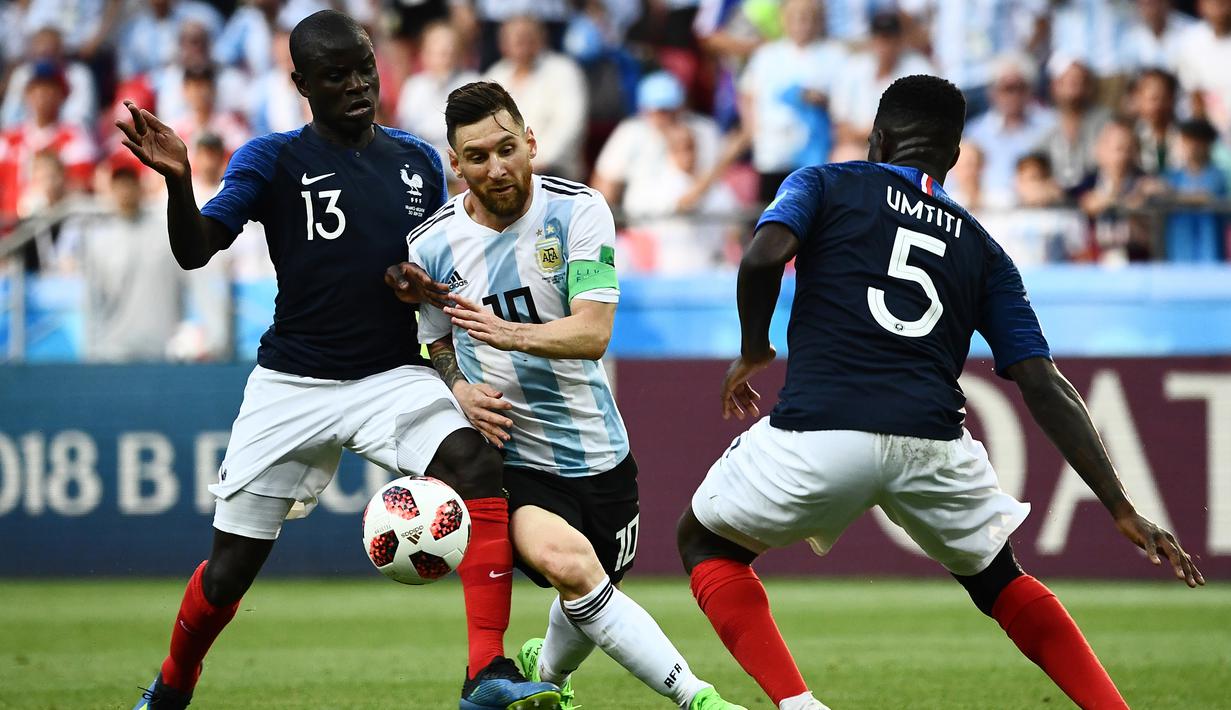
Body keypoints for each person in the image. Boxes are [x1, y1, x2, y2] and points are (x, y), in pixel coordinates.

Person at [675, 75, 1204, 710]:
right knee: (1001, 581)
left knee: (704, 543)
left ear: (877, 139)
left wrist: (755, 347)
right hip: (933, 445)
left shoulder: (824, 181)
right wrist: (1119, 506)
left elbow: (763, 257)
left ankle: (798, 704)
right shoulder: (984, 248)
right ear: (952, 157)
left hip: (819, 432)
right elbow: (1043, 383)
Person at [116, 12, 559, 710]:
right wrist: (177, 182)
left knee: (474, 462)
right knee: (230, 571)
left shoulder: (415, 160)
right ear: (301, 83)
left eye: (364, 68)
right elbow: (197, 247)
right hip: (292, 383)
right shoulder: (270, 159)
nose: (356, 85)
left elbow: (434, 274)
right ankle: (172, 685)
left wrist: (420, 287)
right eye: (335, 75)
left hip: (390, 374)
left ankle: (486, 673)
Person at [387, 80, 745, 710]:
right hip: (513, 458)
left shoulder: (579, 210)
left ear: (530, 142)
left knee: (589, 588)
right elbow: (435, 340)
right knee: (572, 567)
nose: (495, 169)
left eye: (505, 149)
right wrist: (460, 387)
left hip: (599, 451)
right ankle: (700, 698)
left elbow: (593, 331)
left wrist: (506, 333)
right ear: (455, 163)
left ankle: (543, 670)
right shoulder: (431, 244)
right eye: (476, 157)